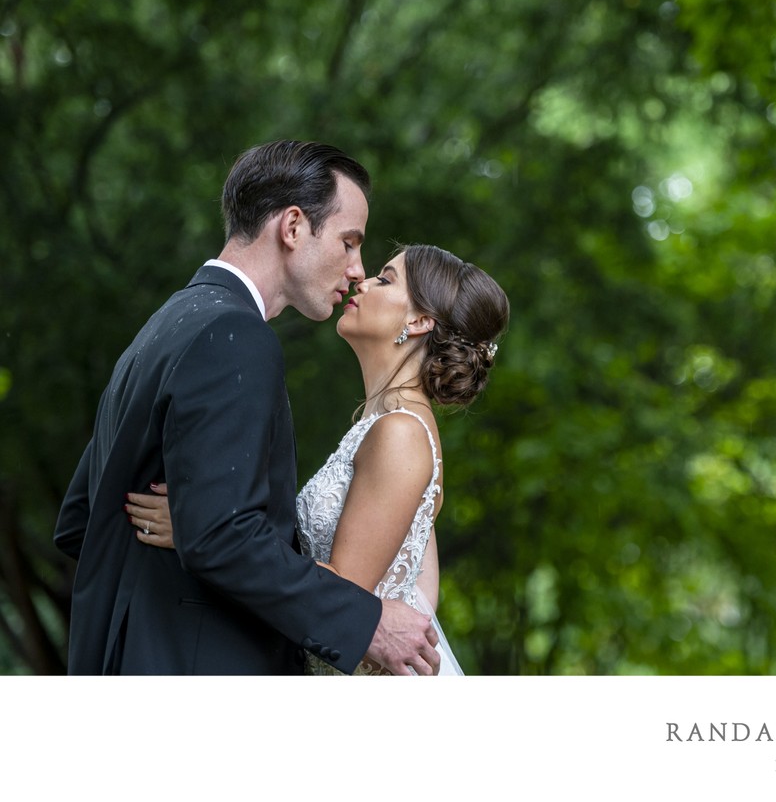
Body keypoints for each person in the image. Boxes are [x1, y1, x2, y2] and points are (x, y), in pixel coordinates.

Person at [54, 140, 440, 676]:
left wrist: (193, 530)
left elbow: (81, 520)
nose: (357, 269)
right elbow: (221, 536)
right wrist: (366, 621)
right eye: (349, 243)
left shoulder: (164, 325)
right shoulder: (235, 334)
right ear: (293, 227)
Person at [127, 244, 510, 674]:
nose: (362, 281)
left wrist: (205, 528)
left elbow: (343, 595)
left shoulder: (401, 434)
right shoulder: (387, 425)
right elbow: (423, 594)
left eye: (385, 279)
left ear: (420, 321)